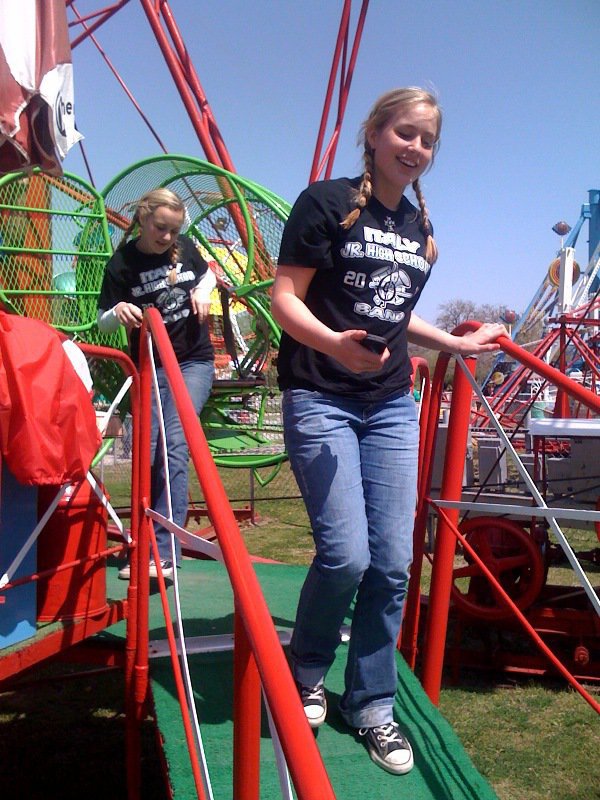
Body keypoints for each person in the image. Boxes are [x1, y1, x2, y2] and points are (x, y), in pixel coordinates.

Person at [271, 87, 506, 775]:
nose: (416, 149)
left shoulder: (418, 234)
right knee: (346, 555)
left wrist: (455, 347)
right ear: (374, 134)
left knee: (393, 564)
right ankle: (309, 666)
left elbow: (395, 318)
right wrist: (333, 347)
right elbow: (284, 296)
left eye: (427, 141)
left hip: (390, 404)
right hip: (320, 394)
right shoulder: (324, 201)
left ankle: (372, 703)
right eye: (405, 133)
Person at [97, 188, 216, 580]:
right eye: (160, 228)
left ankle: (165, 554)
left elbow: (210, 274)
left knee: (174, 446)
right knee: (147, 454)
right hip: (150, 366)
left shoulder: (186, 248)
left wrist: (202, 288)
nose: (167, 237)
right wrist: (118, 311)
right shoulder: (123, 263)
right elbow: (103, 321)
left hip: (192, 362)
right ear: (143, 218)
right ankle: (144, 545)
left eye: (173, 230)